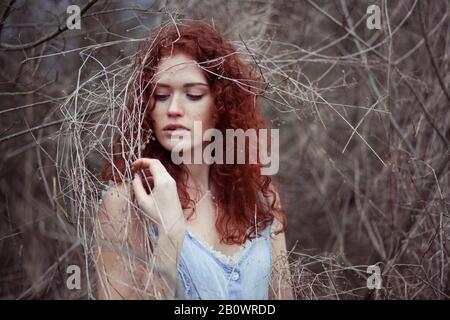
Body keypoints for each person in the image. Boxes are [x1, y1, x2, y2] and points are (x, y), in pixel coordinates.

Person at [95, 19, 293, 300]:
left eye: (193, 94)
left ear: (221, 105)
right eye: (161, 96)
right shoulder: (125, 203)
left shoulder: (260, 195)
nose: (173, 109)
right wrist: (170, 234)